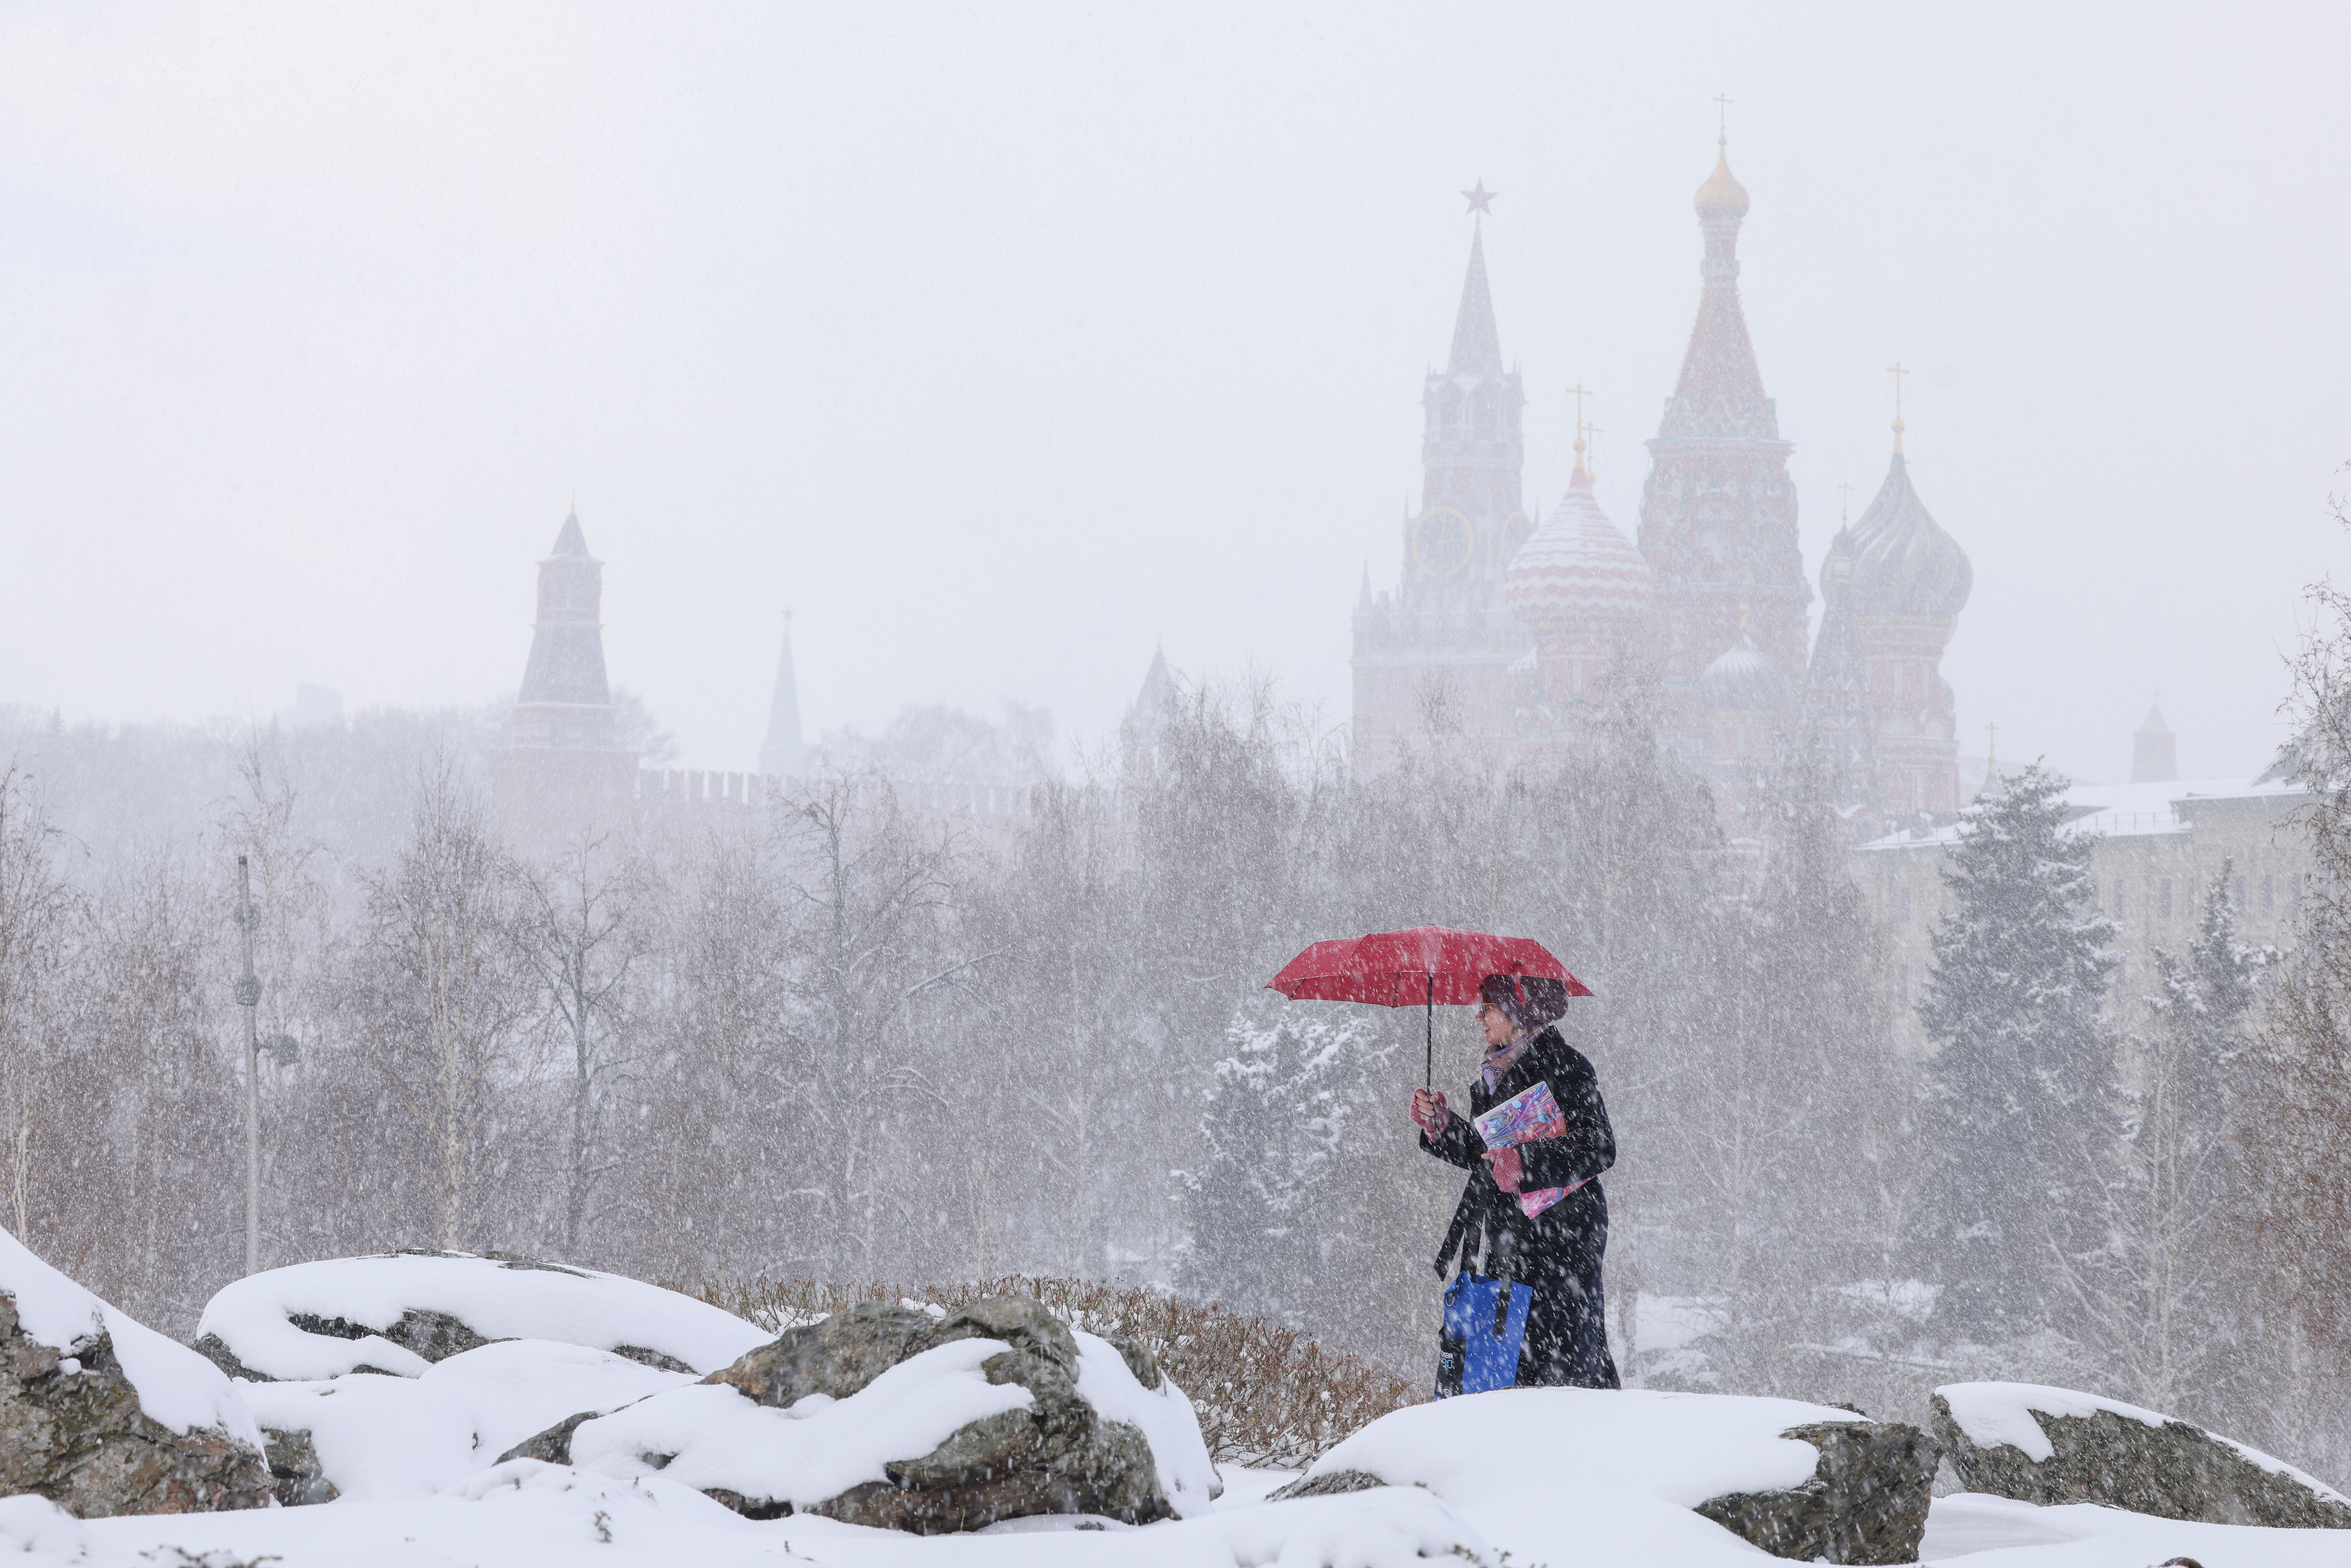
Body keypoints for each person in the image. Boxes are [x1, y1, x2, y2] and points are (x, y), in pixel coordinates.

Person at [1410, 973, 1619, 1388]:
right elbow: (1486, 1156)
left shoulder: (1568, 1066)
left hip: (1564, 1237)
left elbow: (1599, 1147)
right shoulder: (1494, 1076)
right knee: (1507, 1357)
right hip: (1511, 1237)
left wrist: (1524, 1162)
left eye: (1488, 1008)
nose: (1479, 1018)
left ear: (1519, 1014)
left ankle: (1583, 1441)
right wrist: (1443, 1127)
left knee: (1566, 1360)